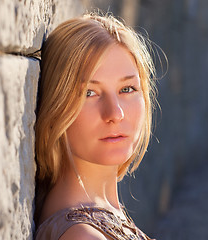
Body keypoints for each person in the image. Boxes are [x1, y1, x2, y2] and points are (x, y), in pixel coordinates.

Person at [34, 12, 159, 240]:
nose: (115, 113)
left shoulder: (102, 214)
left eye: (127, 89)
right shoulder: (82, 235)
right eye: (89, 93)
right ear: (56, 105)